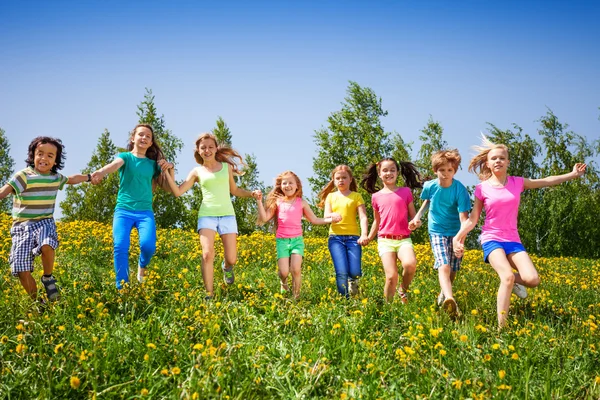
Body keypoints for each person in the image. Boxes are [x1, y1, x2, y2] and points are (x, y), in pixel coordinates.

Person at [453, 136, 586, 328]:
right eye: (494, 158)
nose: (498, 161)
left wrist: (572, 175)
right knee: (506, 276)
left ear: (507, 162)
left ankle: (514, 283)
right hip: (491, 238)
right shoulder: (482, 189)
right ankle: (501, 328)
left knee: (532, 279)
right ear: (488, 164)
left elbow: (546, 181)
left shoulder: (517, 183)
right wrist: (459, 238)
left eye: (501, 158)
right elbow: (473, 218)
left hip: (513, 239)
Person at [162, 132, 260, 299]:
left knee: (232, 258)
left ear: (215, 149)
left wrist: (251, 193)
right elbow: (178, 192)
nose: (207, 150)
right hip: (207, 215)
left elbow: (234, 191)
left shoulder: (226, 168)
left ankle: (226, 267)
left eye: (210, 147)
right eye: (203, 148)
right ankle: (209, 294)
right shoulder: (196, 171)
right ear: (198, 151)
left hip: (228, 215)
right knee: (207, 254)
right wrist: (170, 171)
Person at [0, 136, 92, 300]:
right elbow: (4, 191)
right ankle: (37, 303)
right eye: (40, 153)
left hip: (44, 222)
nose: (44, 158)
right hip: (21, 227)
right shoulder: (24, 176)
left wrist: (90, 177)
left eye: (50, 155)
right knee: (22, 270)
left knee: (47, 245)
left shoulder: (54, 178)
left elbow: (71, 179)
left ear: (56, 161)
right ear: (33, 155)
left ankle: (48, 277)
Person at [91, 124, 173, 289]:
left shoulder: (152, 165)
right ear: (133, 138)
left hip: (145, 213)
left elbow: (169, 187)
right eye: (141, 135)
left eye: (148, 136)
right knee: (120, 246)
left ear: (151, 143)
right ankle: (122, 287)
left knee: (148, 246)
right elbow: (113, 165)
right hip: (123, 211)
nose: (144, 138)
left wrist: (170, 169)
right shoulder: (125, 157)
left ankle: (142, 265)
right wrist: (101, 172)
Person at [256, 171, 341, 299]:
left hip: (297, 240)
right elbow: (265, 217)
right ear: (280, 186)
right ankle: (283, 282)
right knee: (284, 272)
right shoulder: (277, 202)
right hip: (282, 241)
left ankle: (296, 297)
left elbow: (314, 220)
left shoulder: (302, 202)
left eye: (291, 183)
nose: (287, 185)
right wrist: (258, 201)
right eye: (284, 183)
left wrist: (330, 219)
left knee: (296, 269)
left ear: (297, 186)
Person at [408, 149, 470, 318]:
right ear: (435, 170)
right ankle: (451, 299)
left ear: (454, 171)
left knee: (453, 269)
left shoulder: (460, 190)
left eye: (449, 170)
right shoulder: (430, 186)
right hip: (436, 230)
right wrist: (417, 218)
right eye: (441, 170)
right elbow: (428, 201)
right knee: (443, 264)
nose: (445, 174)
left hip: (456, 232)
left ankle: (444, 293)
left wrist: (460, 240)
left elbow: (464, 218)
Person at [361, 158, 423, 303]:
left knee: (410, 264)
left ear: (397, 172)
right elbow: (377, 221)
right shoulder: (375, 197)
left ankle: (403, 290)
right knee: (391, 277)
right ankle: (389, 308)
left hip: (403, 239)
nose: (389, 173)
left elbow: (414, 217)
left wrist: (415, 223)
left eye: (392, 170)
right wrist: (369, 237)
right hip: (385, 240)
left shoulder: (406, 192)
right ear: (379, 173)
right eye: (385, 170)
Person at [317, 165, 369, 298]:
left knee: (355, 271)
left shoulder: (356, 196)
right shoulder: (330, 197)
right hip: (335, 238)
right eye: (338, 178)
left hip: (354, 238)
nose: (341, 180)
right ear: (333, 180)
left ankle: (353, 283)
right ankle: (344, 300)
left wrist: (364, 234)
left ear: (350, 179)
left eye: (344, 177)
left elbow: (363, 217)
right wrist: (332, 216)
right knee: (341, 271)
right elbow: (326, 216)